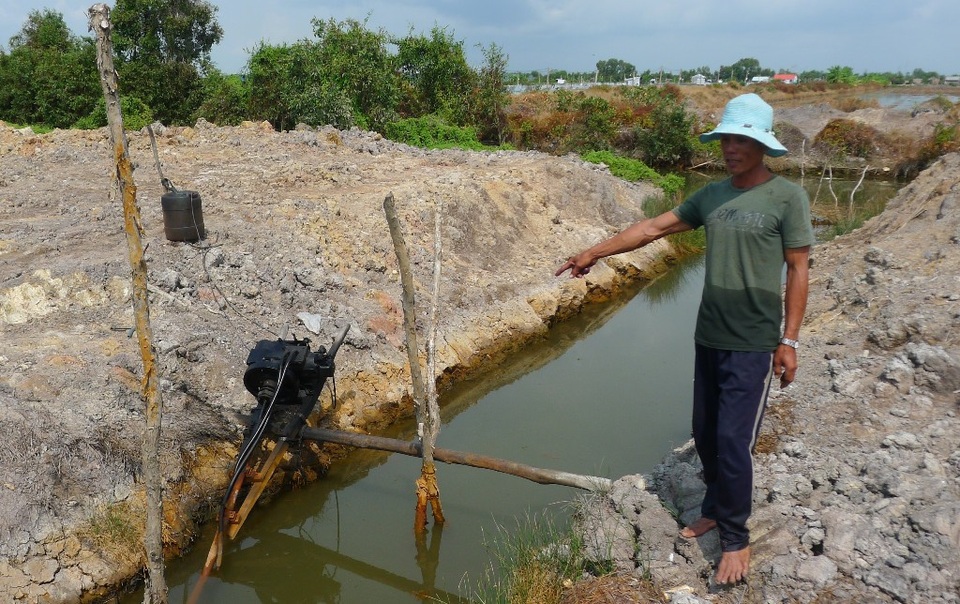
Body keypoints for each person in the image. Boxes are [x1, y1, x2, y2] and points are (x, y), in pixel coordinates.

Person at [555, 93, 814, 585]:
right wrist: (595, 251)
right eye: (726, 139)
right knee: (707, 433)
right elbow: (653, 227)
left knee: (736, 442)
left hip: (755, 341)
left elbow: (799, 269)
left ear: (762, 145)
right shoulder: (712, 196)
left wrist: (790, 340)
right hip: (709, 336)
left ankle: (735, 539)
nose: (731, 148)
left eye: (742, 140)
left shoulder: (788, 199)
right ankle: (716, 507)